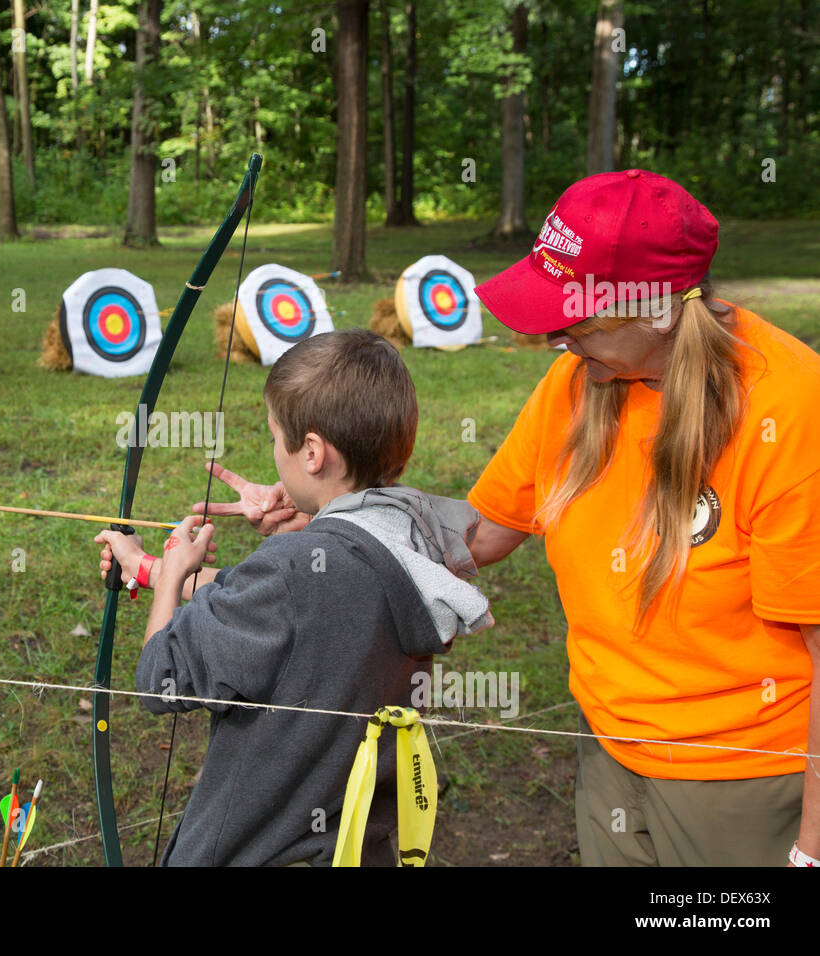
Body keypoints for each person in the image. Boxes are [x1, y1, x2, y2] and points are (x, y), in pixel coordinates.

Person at [197, 170, 820, 868]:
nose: (554, 333)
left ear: (657, 312)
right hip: (610, 750)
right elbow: (481, 534)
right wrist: (333, 520)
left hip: (744, 778)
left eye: (573, 317)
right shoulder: (578, 382)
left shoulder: (790, 411)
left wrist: (811, 848)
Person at [96, 328, 491, 866]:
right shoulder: (414, 539)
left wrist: (170, 578)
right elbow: (296, 612)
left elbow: (162, 680)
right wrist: (146, 567)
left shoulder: (294, 574)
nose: (271, 452)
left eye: (274, 436)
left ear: (311, 452)